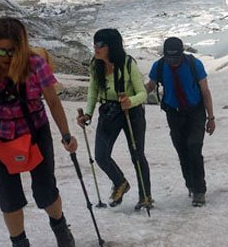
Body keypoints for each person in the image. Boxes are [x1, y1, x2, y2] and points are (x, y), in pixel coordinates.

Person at [0, 17, 78, 247]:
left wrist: (66, 135)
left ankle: (60, 226)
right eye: (0, 51)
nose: (6, 57)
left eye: (12, 52)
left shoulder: (36, 65)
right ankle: (20, 245)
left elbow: (53, 102)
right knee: (8, 196)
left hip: (35, 132)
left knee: (45, 190)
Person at [76, 28, 153, 211]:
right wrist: (88, 113)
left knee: (137, 154)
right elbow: (93, 90)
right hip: (109, 111)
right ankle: (120, 182)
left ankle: (145, 196)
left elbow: (142, 93)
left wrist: (130, 101)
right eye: (95, 44)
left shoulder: (127, 64)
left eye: (101, 45)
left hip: (131, 112)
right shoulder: (96, 65)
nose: (96, 48)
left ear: (112, 46)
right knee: (101, 155)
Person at [145, 37, 215, 207]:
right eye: (170, 59)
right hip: (174, 114)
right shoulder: (159, 66)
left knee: (194, 147)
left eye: (176, 59)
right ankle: (190, 184)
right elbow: (150, 86)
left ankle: (199, 190)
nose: (173, 62)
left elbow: (205, 91)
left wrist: (211, 117)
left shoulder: (194, 64)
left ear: (182, 53)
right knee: (182, 151)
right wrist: (133, 98)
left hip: (195, 112)